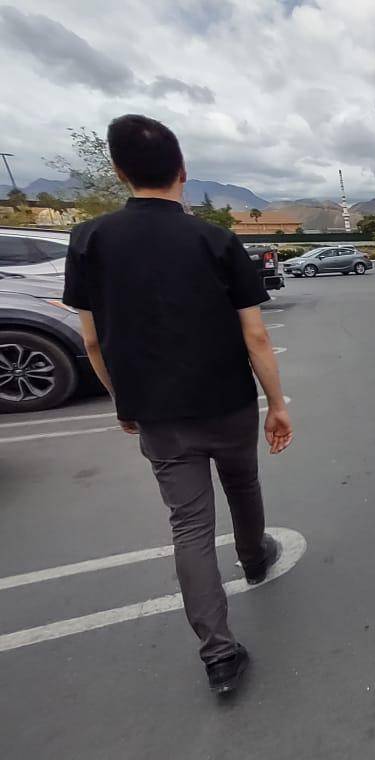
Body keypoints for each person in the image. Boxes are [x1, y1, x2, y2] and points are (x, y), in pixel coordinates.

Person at [63, 115, 293, 695]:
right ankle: (254, 555)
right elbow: (256, 337)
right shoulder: (215, 240)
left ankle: (218, 654)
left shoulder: (90, 240)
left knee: (188, 525)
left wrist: (122, 400)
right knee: (242, 485)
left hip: (156, 414)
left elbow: (92, 339)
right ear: (182, 170)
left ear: (119, 172)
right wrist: (278, 403)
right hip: (228, 403)